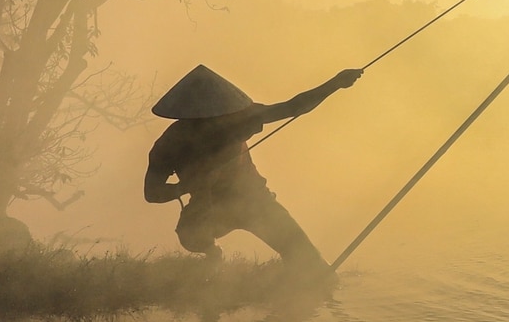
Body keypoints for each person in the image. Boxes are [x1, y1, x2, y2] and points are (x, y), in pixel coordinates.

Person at [144, 65, 360, 270]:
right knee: (191, 236)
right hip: (207, 206)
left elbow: (292, 107)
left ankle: (305, 281)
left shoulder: (238, 117)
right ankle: (213, 256)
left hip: (255, 201)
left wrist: (335, 83)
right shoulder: (170, 144)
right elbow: (151, 193)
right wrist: (186, 186)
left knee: (308, 263)